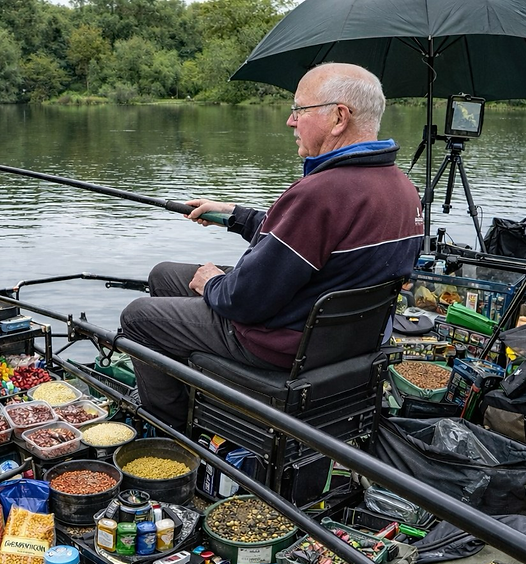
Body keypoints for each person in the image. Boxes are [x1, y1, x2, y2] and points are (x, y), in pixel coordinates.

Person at [119, 62, 424, 430]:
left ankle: (173, 431)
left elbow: (244, 300)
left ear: (339, 117)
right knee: (164, 275)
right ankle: (195, 386)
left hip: (282, 343)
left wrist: (211, 283)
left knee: (139, 316)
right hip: (340, 337)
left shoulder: (320, 192)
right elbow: (310, 238)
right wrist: (234, 214)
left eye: (299, 109)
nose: (290, 122)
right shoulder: (401, 188)